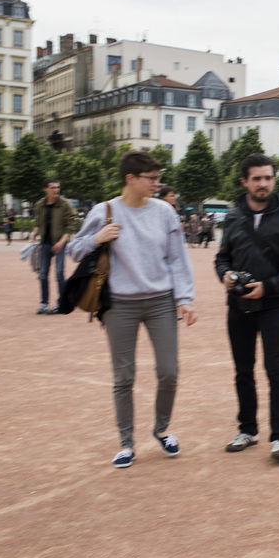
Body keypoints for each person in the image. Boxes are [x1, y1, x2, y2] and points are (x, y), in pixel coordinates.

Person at [68, 151, 197, 468]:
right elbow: (74, 250)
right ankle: (126, 443)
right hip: (120, 304)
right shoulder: (104, 210)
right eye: (151, 179)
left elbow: (177, 258)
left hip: (160, 301)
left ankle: (162, 429)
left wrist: (185, 298)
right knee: (123, 376)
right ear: (131, 179)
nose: (157, 183)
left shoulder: (165, 212)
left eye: (158, 177)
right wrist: (96, 238)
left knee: (170, 370)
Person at [216, 153, 279, 461]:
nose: (263, 183)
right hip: (238, 304)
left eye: (268, 177)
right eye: (257, 178)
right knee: (243, 371)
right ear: (245, 181)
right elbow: (222, 258)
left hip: (274, 305)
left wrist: (267, 287)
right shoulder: (232, 218)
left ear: (274, 179)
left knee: (276, 371)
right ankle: (247, 429)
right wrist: (226, 274)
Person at [31, 179, 77, 315]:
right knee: (43, 274)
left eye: (57, 187)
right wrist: (33, 235)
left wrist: (61, 242)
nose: (56, 190)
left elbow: (70, 225)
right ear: (45, 189)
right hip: (45, 243)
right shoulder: (40, 204)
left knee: (59, 274)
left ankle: (61, 303)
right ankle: (44, 303)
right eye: (53, 187)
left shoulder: (64, 205)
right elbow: (38, 223)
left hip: (59, 243)